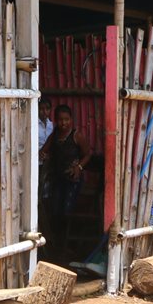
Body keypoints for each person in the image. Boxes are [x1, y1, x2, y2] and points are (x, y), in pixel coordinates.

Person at [38, 104, 91, 255]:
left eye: (66, 119)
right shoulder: (54, 135)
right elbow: (44, 150)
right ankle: (58, 244)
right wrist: (44, 155)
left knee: (67, 210)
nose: (63, 123)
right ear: (56, 120)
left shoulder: (76, 136)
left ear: (71, 120)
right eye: (60, 120)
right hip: (57, 179)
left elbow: (88, 154)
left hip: (72, 180)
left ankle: (69, 246)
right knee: (55, 210)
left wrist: (78, 167)